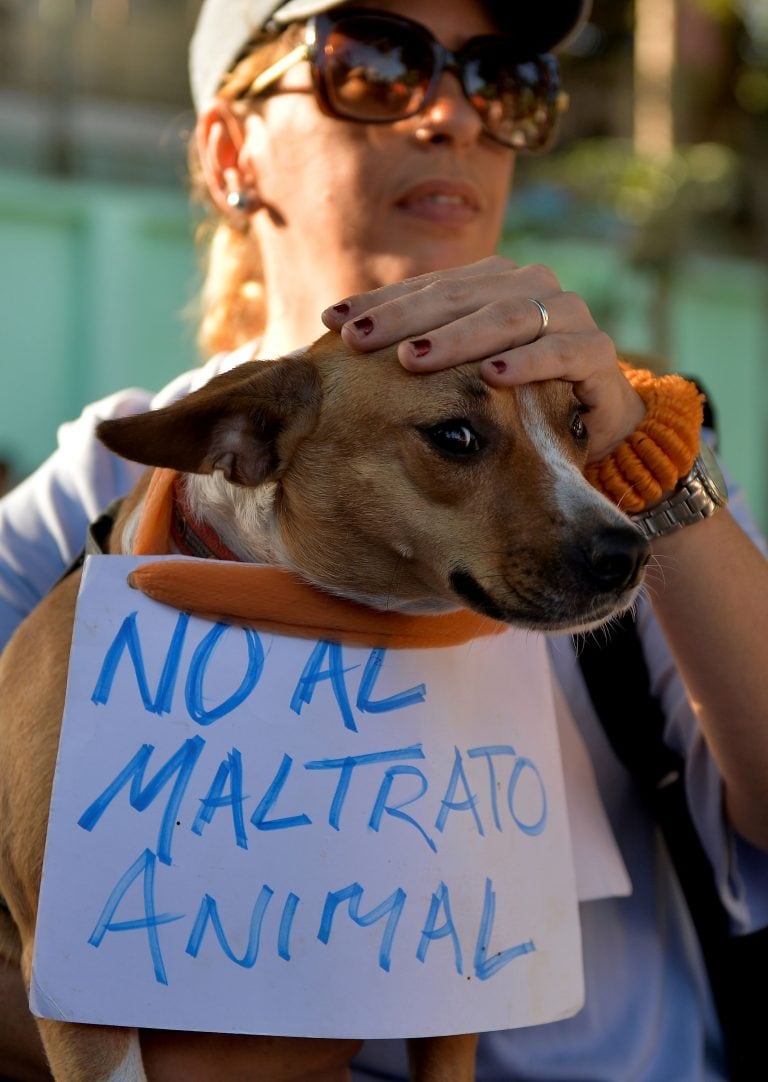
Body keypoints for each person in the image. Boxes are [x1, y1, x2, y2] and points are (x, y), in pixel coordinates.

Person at [0, 1, 766, 1079]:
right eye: (377, 64)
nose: (455, 113)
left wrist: (647, 462)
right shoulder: (100, 485)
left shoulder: (633, 442)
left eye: (504, 81)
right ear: (230, 150)